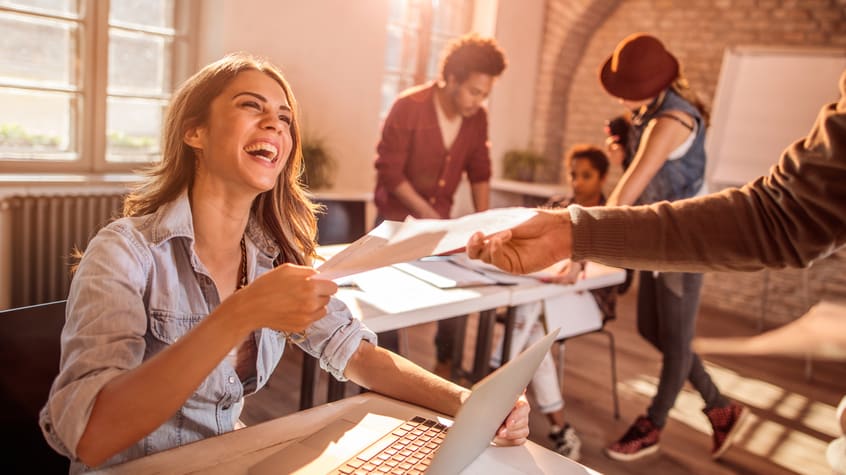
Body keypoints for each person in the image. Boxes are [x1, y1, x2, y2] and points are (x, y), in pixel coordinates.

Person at [38, 52, 530, 473]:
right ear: (195, 132)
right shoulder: (124, 252)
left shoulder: (271, 257)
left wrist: (469, 405)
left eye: (285, 117)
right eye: (250, 106)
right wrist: (242, 313)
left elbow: (355, 352)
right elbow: (90, 437)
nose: (275, 122)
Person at [465, 58, 846, 468]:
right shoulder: (649, 117)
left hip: (680, 256)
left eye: (622, 88)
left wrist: (579, 241)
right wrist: (573, 233)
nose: (620, 98)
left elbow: (634, 186)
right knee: (653, 329)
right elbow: (781, 216)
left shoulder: (672, 119)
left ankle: (655, 422)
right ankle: (720, 405)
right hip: (658, 246)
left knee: (677, 341)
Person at [373, 33, 507, 367]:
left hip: (441, 226)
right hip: (395, 225)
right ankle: (389, 374)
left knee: (458, 293)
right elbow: (390, 172)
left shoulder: (477, 119)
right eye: (475, 92)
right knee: (388, 307)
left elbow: (480, 172)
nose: (478, 101)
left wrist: (485, 224)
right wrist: (430, 216)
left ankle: (446, 366)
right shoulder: (409, 107)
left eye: (485, 95)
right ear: (450, 79)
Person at [489, 145, 615, 461]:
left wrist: (580, 264)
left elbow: (620, 278)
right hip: (547, 296)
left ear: (603, 177)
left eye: (586, 176)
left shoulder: (613, 214)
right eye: (573, 174)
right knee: (535, 338)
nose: (577, 182)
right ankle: (560, 428)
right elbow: (527, 237)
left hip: (589, 301)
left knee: (531, 313)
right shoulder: (560, 207)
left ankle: (491, 377)